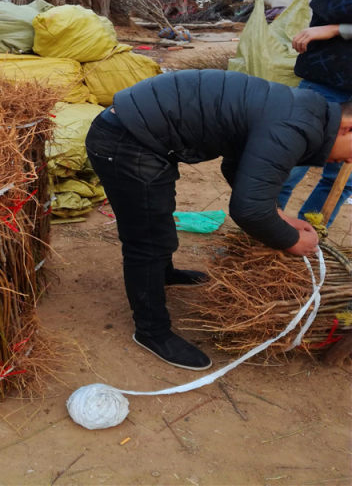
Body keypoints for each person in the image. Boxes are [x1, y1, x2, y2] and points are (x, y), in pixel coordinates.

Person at [85, 69, 352, 371]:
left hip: (141, 132)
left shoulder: (306, 113)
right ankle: (151, 331)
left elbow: (236, 166)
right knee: (146, 240)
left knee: (157, 217)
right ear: (346, 128)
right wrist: (291, 241)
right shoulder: (295, 127)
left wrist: (280, 217)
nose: (350, 161)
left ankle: (163, 274)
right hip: (124, 139)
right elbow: (248, 209)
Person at [277, 0, 352, 225]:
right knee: (288, 165)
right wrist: (339, 24)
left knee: (340, 180)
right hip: (323, 85)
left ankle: (309, 239)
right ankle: (265, 231)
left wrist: (337, 30)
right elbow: (338, 6)